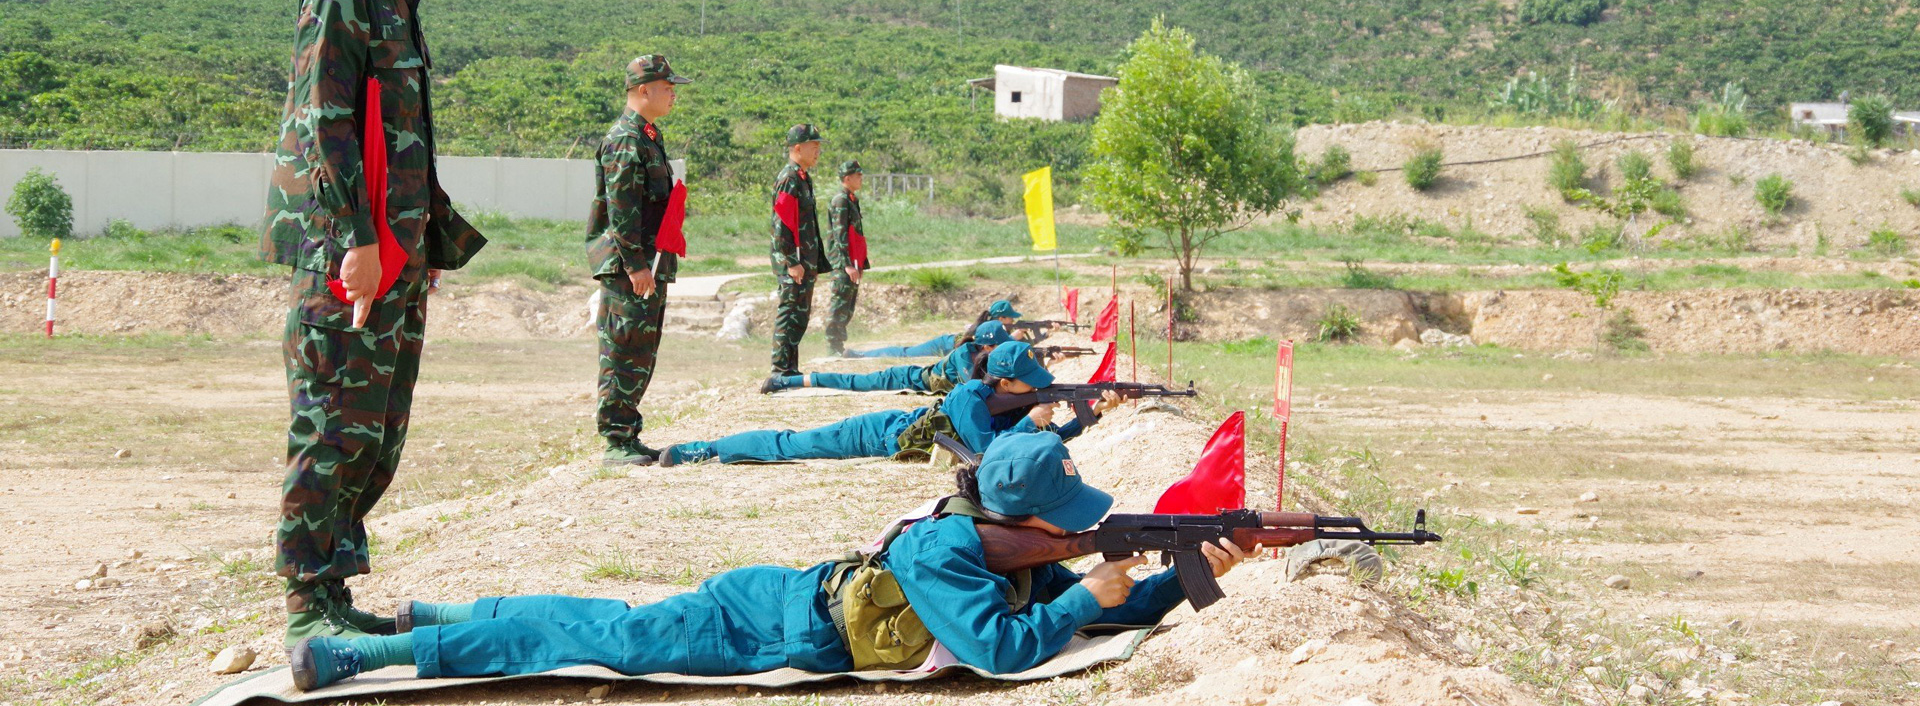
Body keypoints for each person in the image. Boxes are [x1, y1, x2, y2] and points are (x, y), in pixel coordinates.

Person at [288, 432, 1247, 691]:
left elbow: (1104, 607)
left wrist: (1200, 570)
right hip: (768, 621)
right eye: (1067, 526)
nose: (1077, 538)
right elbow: (1001, 649)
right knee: (606, 637)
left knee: (602, 615)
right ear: (1022, 515)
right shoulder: (946, 550)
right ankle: (378, 657)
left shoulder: (992, 536)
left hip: (788, 606)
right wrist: (1089, 596)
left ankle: (436, 616)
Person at [259, 0, 488, 648]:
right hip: (348, 250)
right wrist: (357, 240)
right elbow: (325, 126)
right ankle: (306, 604)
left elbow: (399, 134)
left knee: (375, 427)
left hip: (397, 247)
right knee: (330, 424)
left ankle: (333, 586)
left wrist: (418, 243)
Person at [660, 340, 1119, 467]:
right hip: (881, 433)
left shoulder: (1008, 402)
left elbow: (1021, 447)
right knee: (793, 444)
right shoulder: (968, 396)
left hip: (900, 438)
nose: (1038, 392)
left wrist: (1087, 418)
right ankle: (703, 450)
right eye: (1031, 386)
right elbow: (986, 455)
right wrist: (1034, 422)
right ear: (1004, 379)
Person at [586, 55, 693, 465]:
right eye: (667, 87)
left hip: (648, 263)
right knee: (623, 348)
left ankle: (627, 433)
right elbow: (621, 208)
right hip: (630, 267)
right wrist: (634, 264)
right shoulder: (625, 138)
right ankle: (615, 439)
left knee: (641, 350)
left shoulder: (648, 135)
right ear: (643, 90)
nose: (673, 94)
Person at [764, 319, 1015, 395]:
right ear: (987, 346)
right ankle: (785, 381)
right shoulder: (964, 354)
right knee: (853, 382)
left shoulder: (981, 354)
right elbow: (974, 389)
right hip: (908, 378)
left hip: (916, 378)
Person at [768, 124, 831, 379]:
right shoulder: (789, 178)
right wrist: (793, 261)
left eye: (818, 147)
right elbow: (782, 223)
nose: (818, 152)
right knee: (790, 311)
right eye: (813, 147)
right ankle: (780, 369)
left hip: (805, 261)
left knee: (800, 317)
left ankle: (790, 368)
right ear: (797, 148)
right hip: (793, 262)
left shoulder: (803, 177)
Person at [839, 299, 1031, 360]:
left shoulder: (993, 327)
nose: (1011, 322)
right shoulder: (988, 329)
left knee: (906, 352)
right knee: (905, 353)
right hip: (944, 345)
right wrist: (1013, 338)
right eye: (1009, 318)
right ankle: (861, 354)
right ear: (1000, 318)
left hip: (947, 344)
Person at [822, 160, 869, 356]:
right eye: (857, 175)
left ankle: (838, 346)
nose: (861, 179)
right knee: (839, 304)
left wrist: (860, 264)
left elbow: (855, 235)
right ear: (847, 178)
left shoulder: (851, 199)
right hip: (843, 263)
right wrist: (847, 265)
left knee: (848, 306)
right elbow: (840, 235)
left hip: (852, 262)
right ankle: (832, 346)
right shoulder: (840, 200)